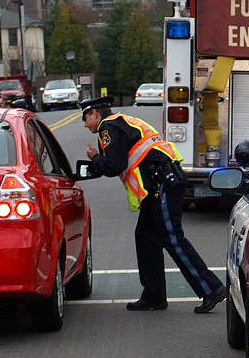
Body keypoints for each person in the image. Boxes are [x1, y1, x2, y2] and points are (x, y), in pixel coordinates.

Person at [80, 96, 226, 313]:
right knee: (146, 237)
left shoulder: (108, 127)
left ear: (95, 113)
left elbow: (114, 165)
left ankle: (211, 289)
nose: (84, 124)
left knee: (173, 238)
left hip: (162, 184)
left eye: (85, 118)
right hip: (158, 185)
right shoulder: (123, 121)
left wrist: (94, 159)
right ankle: (154, 296)